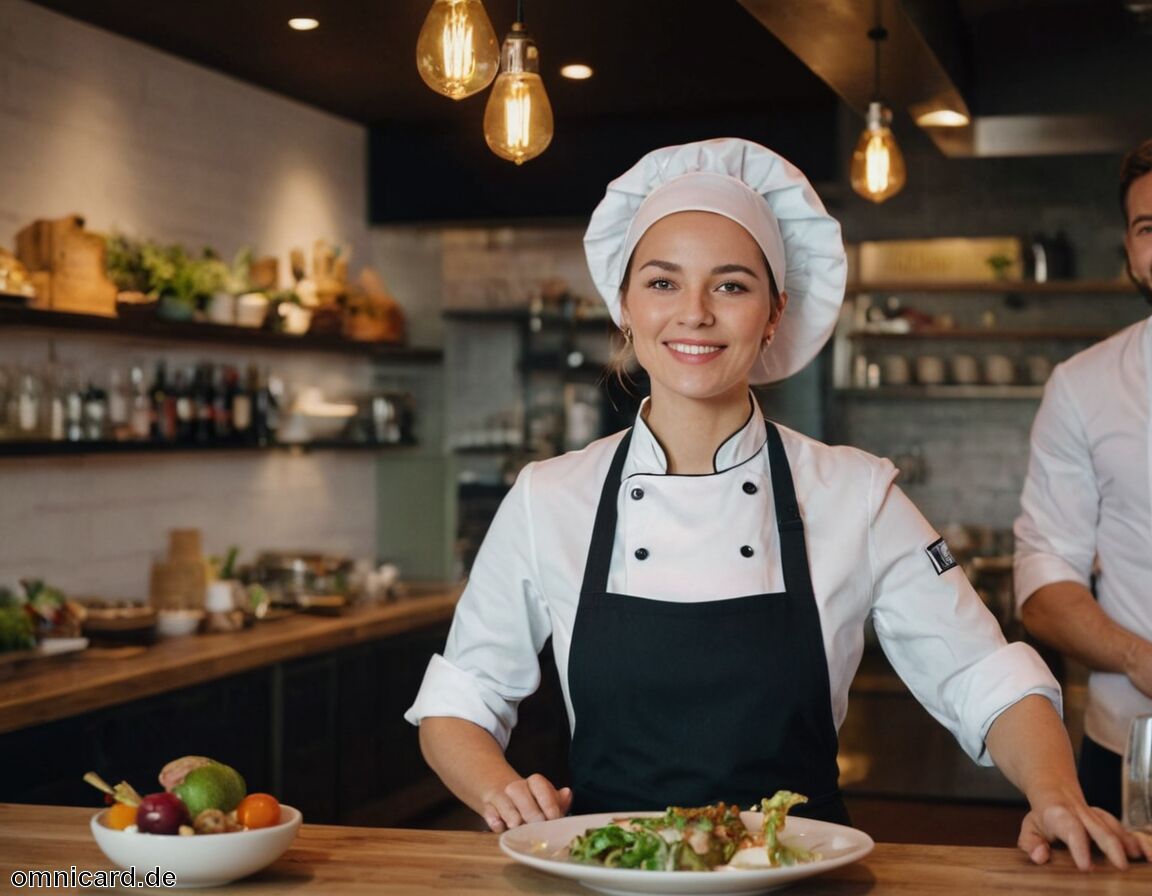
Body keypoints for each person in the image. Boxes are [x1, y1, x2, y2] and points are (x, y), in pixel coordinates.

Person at [407, 138, 1146, 869]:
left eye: (730, 285)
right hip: (610, 879)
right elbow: (460, 700)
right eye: (663, 283)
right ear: (624, 305)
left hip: (801, 881)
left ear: (772, 314)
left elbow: (982, 675)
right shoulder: (550, 497)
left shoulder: (855, 494)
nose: (693, 313)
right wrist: (503, 792)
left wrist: (1057, 793)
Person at [1014, 138, 1152, 821]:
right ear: (1130, 248)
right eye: (1149, 228)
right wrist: (1137, 656)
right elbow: (1042, 584)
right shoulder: (1084, 387)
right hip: (1133, 753)